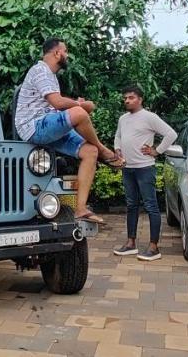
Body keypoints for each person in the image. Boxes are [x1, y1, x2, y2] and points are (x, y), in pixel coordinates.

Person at [15, 38, 124, 224]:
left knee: (90, 151)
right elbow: (58, 102)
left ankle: (80, 209)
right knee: (79, 113)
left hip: (48, 126)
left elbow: (54, 109)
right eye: (65, 51)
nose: (67, 55)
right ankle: (105, 151)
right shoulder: (40, 70)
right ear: (57, 53)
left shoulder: (51, 76)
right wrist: (80, 105)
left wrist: (77, 106)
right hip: (33, 127)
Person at [112, 86, 178, 261]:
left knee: (151, 206)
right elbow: (118, 136)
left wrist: (157, 151)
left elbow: (171, 134)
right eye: (125, 98)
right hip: (128, 168)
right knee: (131, 205)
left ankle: (154, 247)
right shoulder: (123, 119)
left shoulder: (149, 117)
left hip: (145, 168)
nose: (127, 100)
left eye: (131, 97)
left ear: (140, 99)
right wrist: (117, 149)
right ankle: (130, 243)